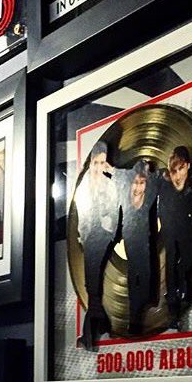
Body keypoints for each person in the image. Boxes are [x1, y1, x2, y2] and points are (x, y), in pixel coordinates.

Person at [157, 146, 192, 329]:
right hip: (170, 229)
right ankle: (173, 308)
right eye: (174, 170)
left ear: (188, 166)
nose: (177, 174)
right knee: (171, 262)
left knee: (189, 260)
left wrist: (187, 192)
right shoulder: (165, 182)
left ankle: (181, 284)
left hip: (186, 228)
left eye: (181, 169)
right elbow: (162, 206)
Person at [77, 141, 120, 350]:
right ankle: (103, 326)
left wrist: (109, 231)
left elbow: (115, 209)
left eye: (103, 163)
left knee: (92, 285)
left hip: (102, 235)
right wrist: (83, 236)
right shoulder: (84, 185)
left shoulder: (109, 184)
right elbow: (81, 213)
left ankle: (89, 336)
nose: (98, 167)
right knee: (92, 286)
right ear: (91, 162)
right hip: (88, 236)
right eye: (96, 163)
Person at [121, 160, 157, 335]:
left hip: (145, 241)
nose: (138, 187)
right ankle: (134, 318)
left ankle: (141, 306)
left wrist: (148, 170)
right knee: (134, 275)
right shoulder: (124, 196)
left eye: (142, 182)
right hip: (131, 240)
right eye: (135, 182)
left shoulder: (149, 195)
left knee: (144, 275)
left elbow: (156, 181)